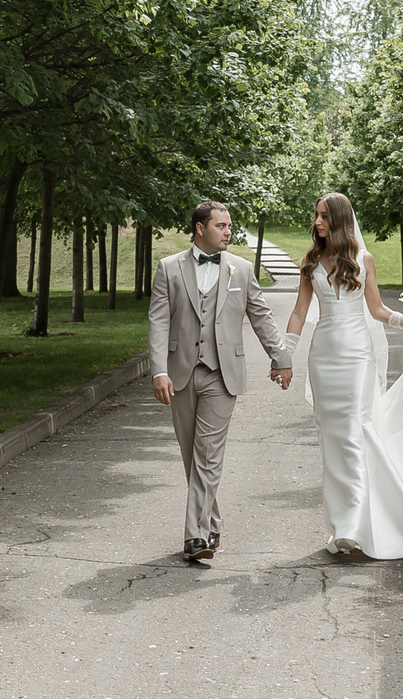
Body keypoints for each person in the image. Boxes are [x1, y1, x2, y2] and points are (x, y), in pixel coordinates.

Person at [282, 191, 403, 558]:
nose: (318, 222)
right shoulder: (310, 261)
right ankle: (343, 523)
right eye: (317, 216)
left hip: (357, 355)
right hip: (323, 355)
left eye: (324, 216)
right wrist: (284, 354)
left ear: (339, 220)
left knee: (355, 433)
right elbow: (298, 312)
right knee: (332, 439)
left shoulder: (362, 259)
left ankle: (354, 527)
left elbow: (378, 310)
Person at [145, 199, 295, 564]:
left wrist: (281, 356)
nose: (229, 232)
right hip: (179, 372)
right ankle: (211, 522)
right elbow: (159, 321)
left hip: (222, 374)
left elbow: (260, 316)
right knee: (189, 454)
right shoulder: (169, 268)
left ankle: (195, 537)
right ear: (201, 228)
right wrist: (159, 370)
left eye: (229, 226)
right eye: (222, 226)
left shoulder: (241, 270)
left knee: (208, 455)